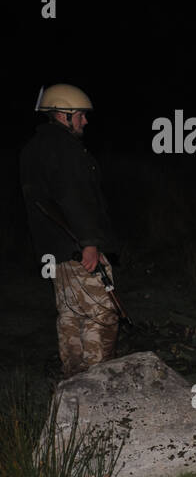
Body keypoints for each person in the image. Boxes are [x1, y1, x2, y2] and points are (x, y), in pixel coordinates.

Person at [19, 83, 121, 377]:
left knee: (70, 315)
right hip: (78, 247)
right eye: (80, 116)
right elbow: (74, 196)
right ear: (63, 116)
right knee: (100, 314)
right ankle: (97, 383)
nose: (85, 121)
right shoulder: (65, 148)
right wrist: (90, 242)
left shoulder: (32, 149)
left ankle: (73, 385)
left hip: (56, 253)